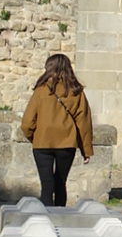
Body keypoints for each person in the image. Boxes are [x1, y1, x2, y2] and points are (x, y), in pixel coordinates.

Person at [19, 53, 94, 206]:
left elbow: (27, 122)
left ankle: (45, 215)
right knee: (61, 183)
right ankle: (60, 213)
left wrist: (34, 137)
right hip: (66, 143)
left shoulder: (40, 90)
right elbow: (84, 123)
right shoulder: (76, 92)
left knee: (46, 185)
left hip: (42, 142)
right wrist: (86, 150)